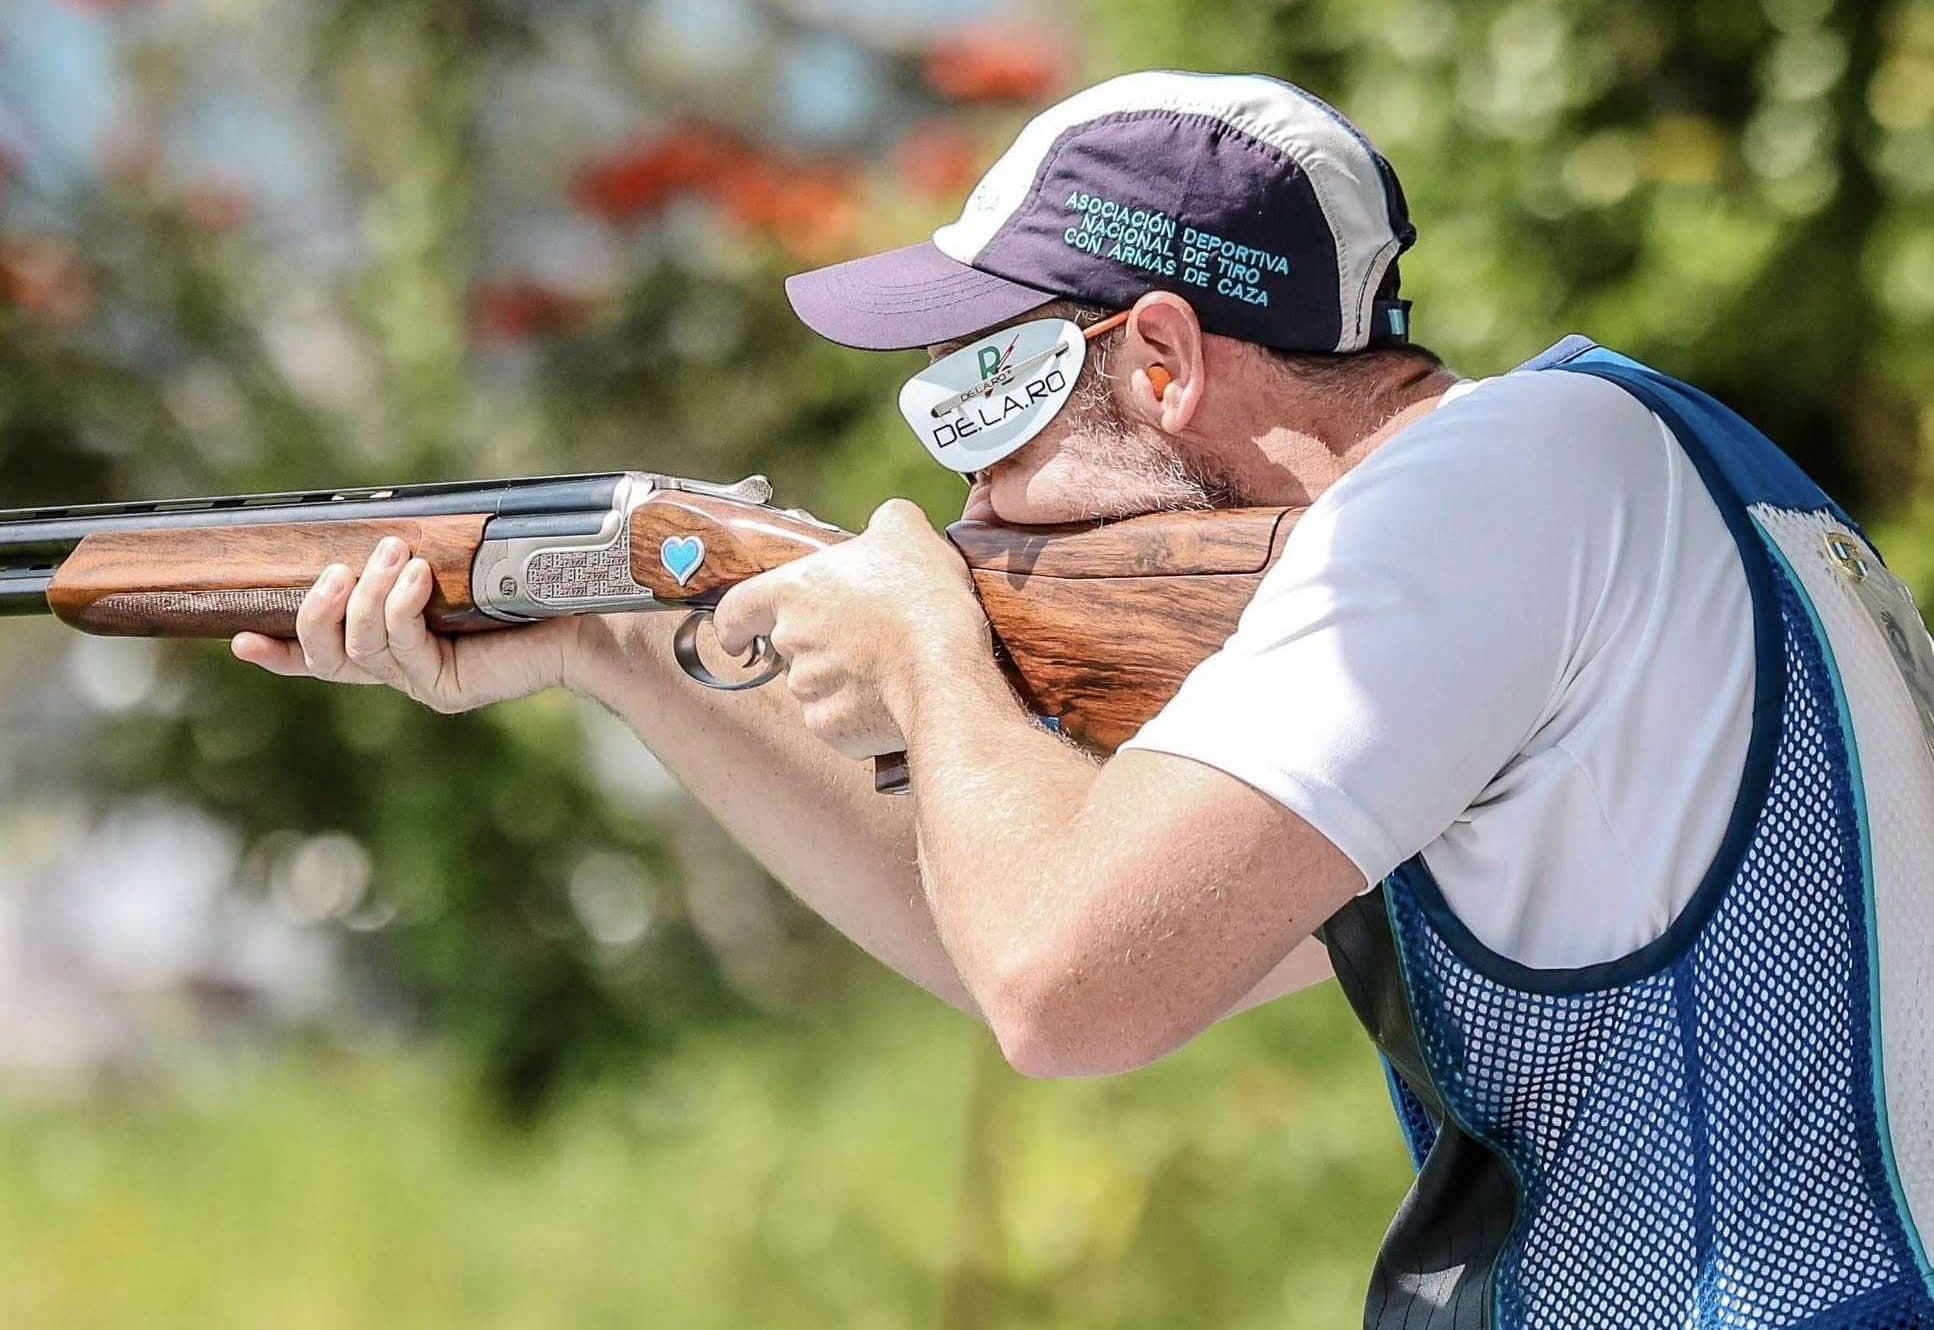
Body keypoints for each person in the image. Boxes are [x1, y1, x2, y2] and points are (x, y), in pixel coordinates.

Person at [232, 71, 1934, 1329]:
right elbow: (994, 922)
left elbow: (1069, 991)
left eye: (979, 402)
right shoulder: (1628, 481)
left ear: (1165, 359)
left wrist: (922, 646)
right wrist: (609, 651)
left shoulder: (1483, 491)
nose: (959, 503)